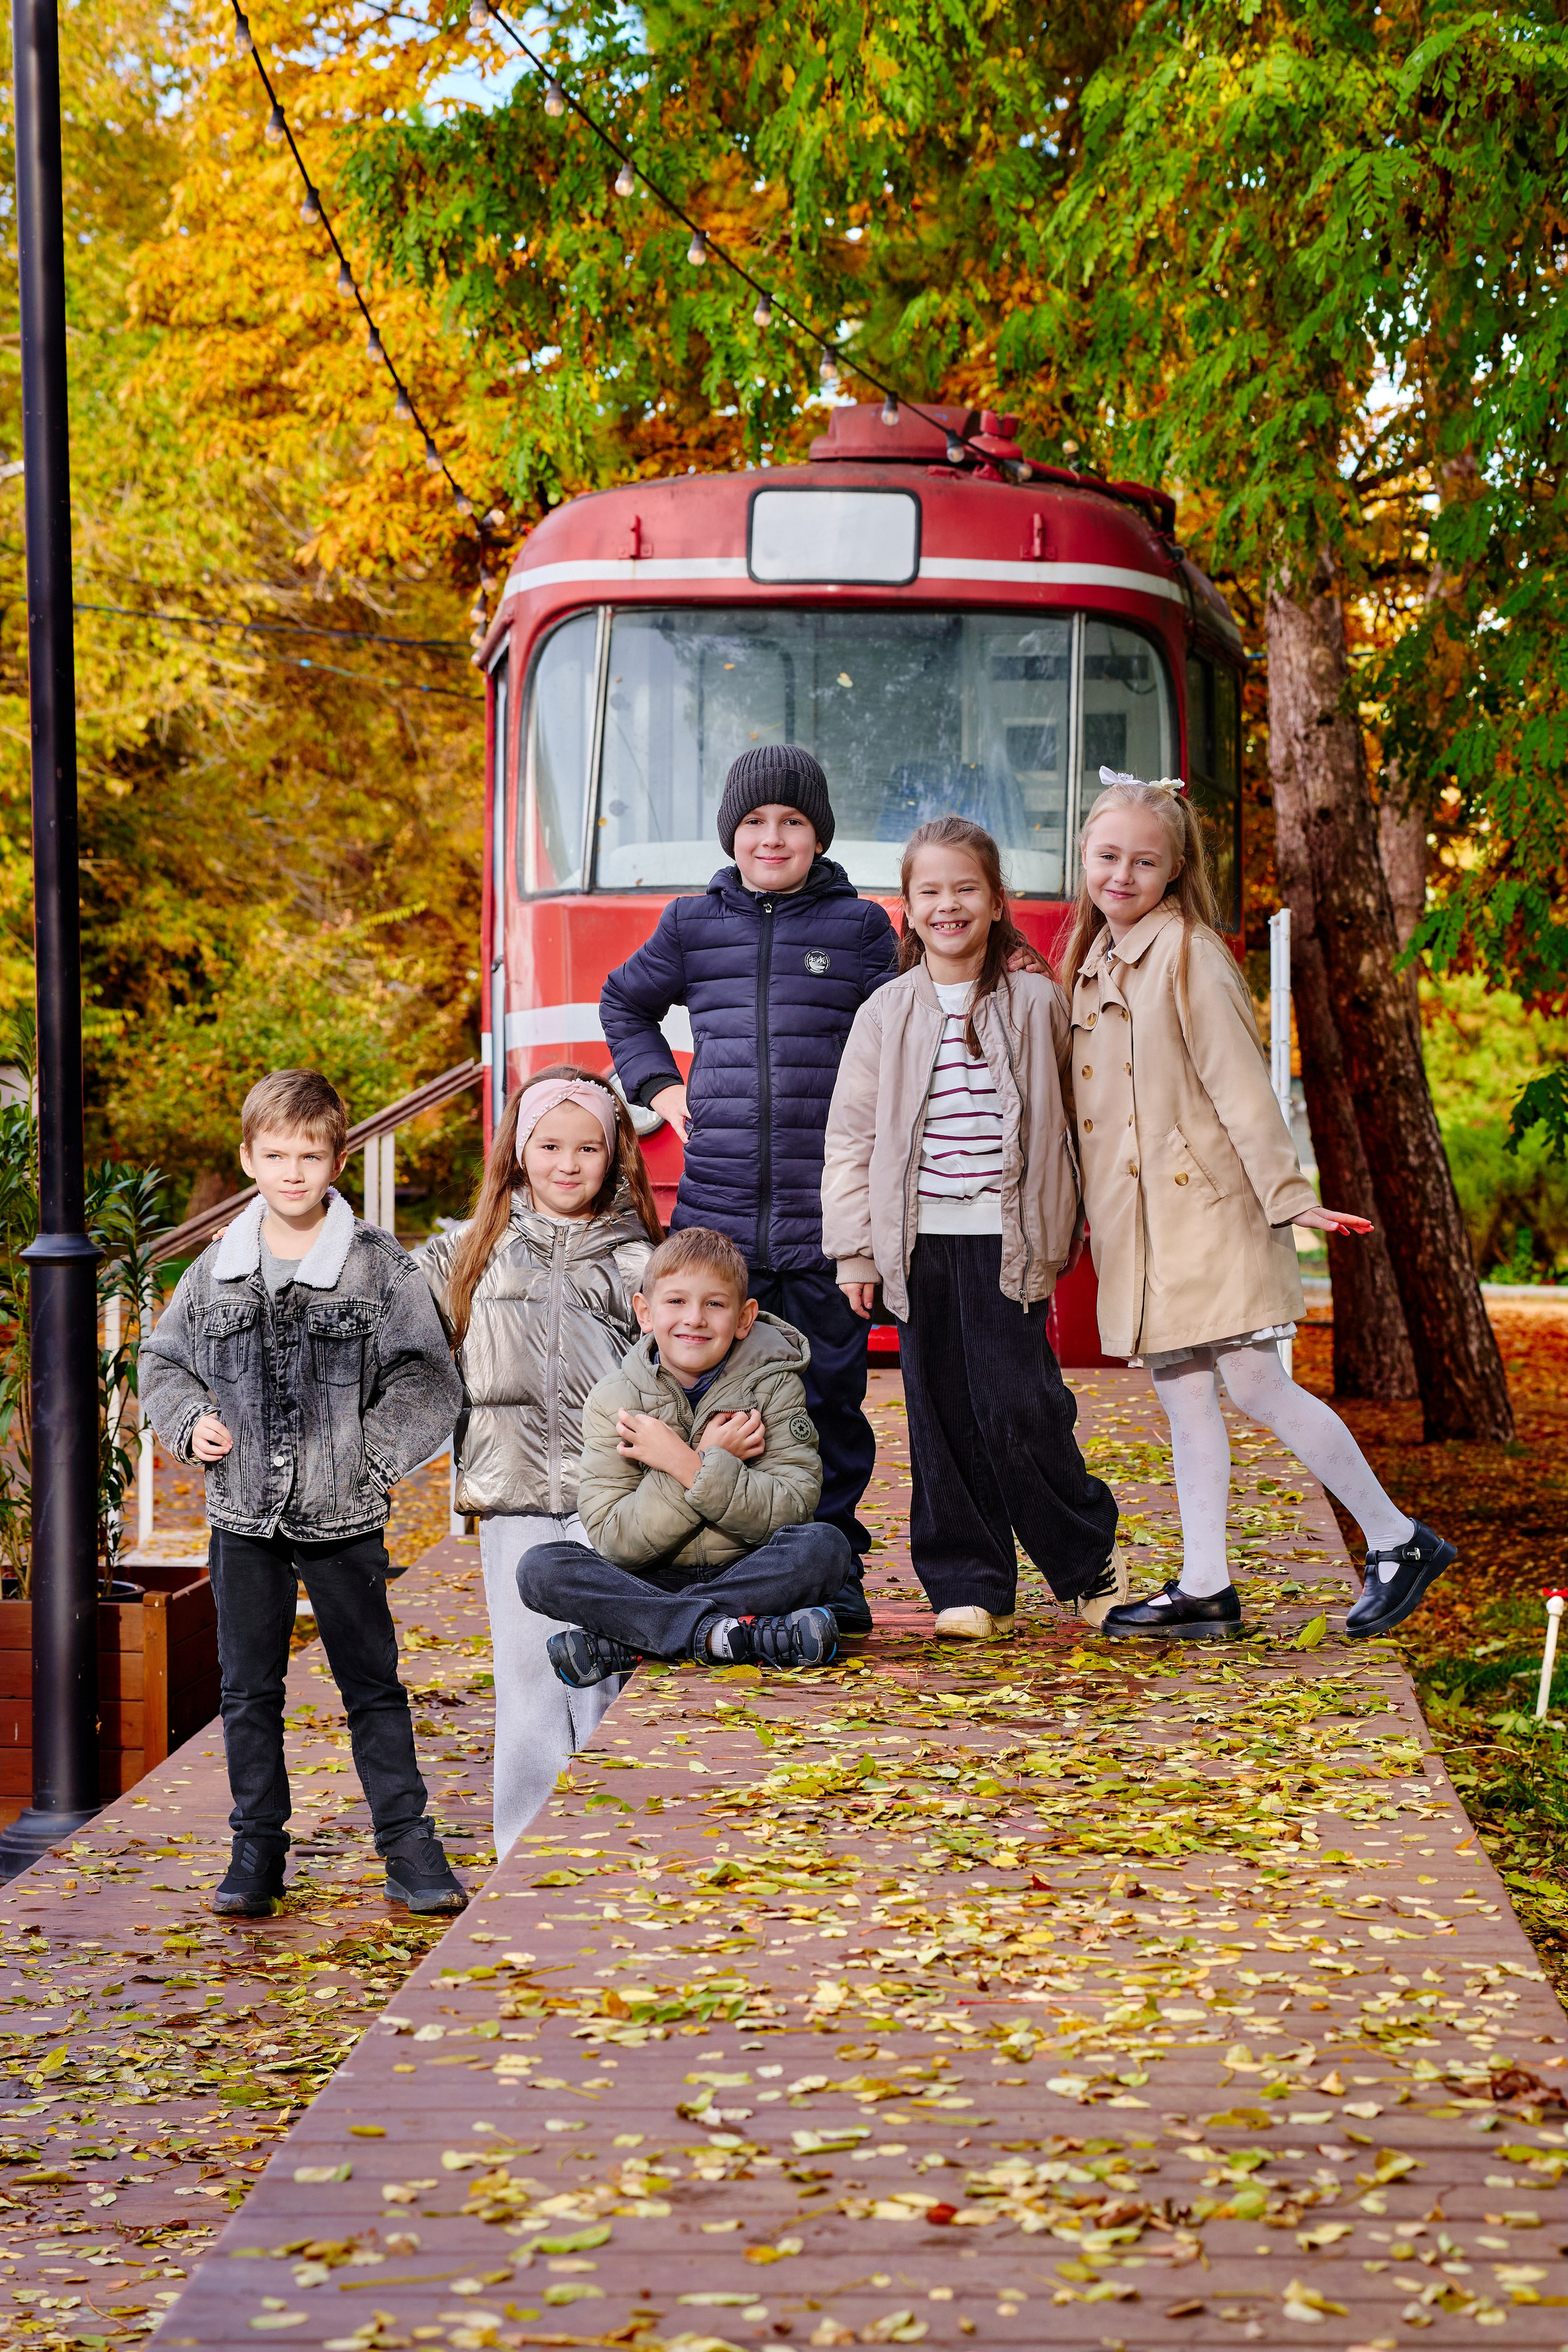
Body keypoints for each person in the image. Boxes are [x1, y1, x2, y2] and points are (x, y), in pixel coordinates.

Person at [1061, 769, 1456, 1640]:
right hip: (1150, 1229)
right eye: (1107, 855)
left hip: (1207, 1214)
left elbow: (1243, 1089)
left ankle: (1397, 1538)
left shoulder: (1190, 953)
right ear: (1084, 856)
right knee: (1187, 1393)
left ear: (1174, 872)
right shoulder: (1089, 964)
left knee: (1252, 1381)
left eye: (1144, 862)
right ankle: (1206, 1584)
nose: (1122, 874)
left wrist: (1288, 1196)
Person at [141, 1068, 467, 1918]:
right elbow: (163, 1364)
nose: (293, 1171)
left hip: (343, 1516)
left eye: (309, 1155)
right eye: (276, 1154)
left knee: (372, 1684)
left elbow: (427, 1381)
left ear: (337, 1159)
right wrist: (191, 1421)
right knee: (248, 1690)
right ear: (249, 1157)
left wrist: (369, 1460)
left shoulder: (374, 1267)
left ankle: (407, 1843)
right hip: (243, 1517)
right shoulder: (217, 1269)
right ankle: (258, 1849)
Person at [598, 744, 895, 1634]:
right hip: (718, 1222)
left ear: (818, 835)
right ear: (733, 833)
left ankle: (832, 1570)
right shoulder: (692, 924)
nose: (773, 837)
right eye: (756, 822)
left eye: (792, 822)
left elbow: (895, 1039)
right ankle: (724, 1570)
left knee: (831, 1401)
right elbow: (624, 1002)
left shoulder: (861, 930)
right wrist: (661, 1088)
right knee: (709, 1399)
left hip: (824, 1214)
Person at [822, 816, 1126, 1642]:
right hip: (918, 1242)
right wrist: (855, 1249)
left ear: (996, 902)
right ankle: (970, 1582)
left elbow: (1082, 1114)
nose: (948, 905)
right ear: (909, 910)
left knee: (1022, 1406)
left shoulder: (1037, 1003)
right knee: (942, 1412)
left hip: (1009, 1236)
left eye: (966, 890)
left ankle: (1087, 1561)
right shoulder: (886, 1011)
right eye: (931, 892)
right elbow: (850, 1137)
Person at [416, 1067, 661, 1858]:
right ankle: (522, 1847)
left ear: (615, 1153)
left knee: (599, 1670)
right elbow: (375, 1303)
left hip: (609, 1501)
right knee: (527, 1676)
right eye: (549, 1145)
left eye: (587, 1147)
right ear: (518, 1154)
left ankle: (605, 1836)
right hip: (514, 1496)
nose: (568, 1163)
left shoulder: (639, 1261)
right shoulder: (467, 1252)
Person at [516, 1226, 849, 1683]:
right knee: (542, 1570)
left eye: (715, 1304)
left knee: (824, 1548)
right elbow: (617, 1541)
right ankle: (733, 1636)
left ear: (745, 1318)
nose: (694, 1318)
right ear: (645, 1312)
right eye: (676, 1302)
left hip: (747, 1569)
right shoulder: (614, 1399)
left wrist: (687, 1463)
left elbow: (790, 1509)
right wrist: (703, 1457)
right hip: (650, 1579)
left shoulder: (774, 1386)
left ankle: (636, 1639)